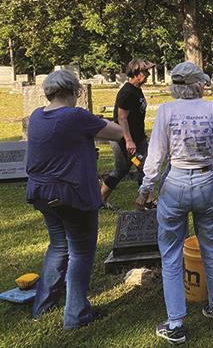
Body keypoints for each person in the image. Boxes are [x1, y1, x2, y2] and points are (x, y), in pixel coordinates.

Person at [136, 61, 213, 345]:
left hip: (176, 183)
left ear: (175, 85)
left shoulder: (167, 111)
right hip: (207, 182)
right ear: (200, 84)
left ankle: (175, 323)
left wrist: (146, 188)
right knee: (210, 246)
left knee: (171, 254)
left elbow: (156, 154)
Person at [26, 70, 123, 329]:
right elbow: (117, 132)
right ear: (74, 91)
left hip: (41, 193)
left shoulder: (36, 116)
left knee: (58, 246)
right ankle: (76, 315)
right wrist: (95, 120)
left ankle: (43, 306)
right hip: (71, 194)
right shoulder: (76, 116)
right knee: (81, 253)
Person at [100, 58, 155, 206]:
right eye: (145, 71)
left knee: (144, 166)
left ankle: (148, 200)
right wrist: (129, 141)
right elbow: (122, 118)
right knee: (122, 170)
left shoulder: (136, 89)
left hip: (138, 138)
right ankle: (100, 200)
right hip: (124, 140)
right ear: (136, 73)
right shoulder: (127, 92)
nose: (148, 74)